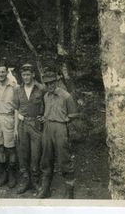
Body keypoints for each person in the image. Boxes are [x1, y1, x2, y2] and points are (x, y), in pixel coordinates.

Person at [36, 71, 79, 199]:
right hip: (47, 128)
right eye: (47, 83)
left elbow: (73, 115)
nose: (50, 85)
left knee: (64, 158)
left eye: (52, 82)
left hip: (60, 128)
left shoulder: (66, 96)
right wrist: (45, 118)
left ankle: (69, 189)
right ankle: (45, 188)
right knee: (46, 157)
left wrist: (62, 121)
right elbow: (45, 112)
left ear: (57, 81)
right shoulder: (46, 96)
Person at [13, 63, 46, 194]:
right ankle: (25, 181)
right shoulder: (17, 90)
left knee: (36, 154)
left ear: (33, 74)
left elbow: (47, 104)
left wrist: (44, 117)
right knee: (23, 154)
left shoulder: (41, 88)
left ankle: (35, 181)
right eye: (23, 75)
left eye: (28, 74)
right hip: (22, 125)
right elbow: (15, 109)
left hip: (36, 125)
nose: (26, 77)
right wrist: (15, 128)